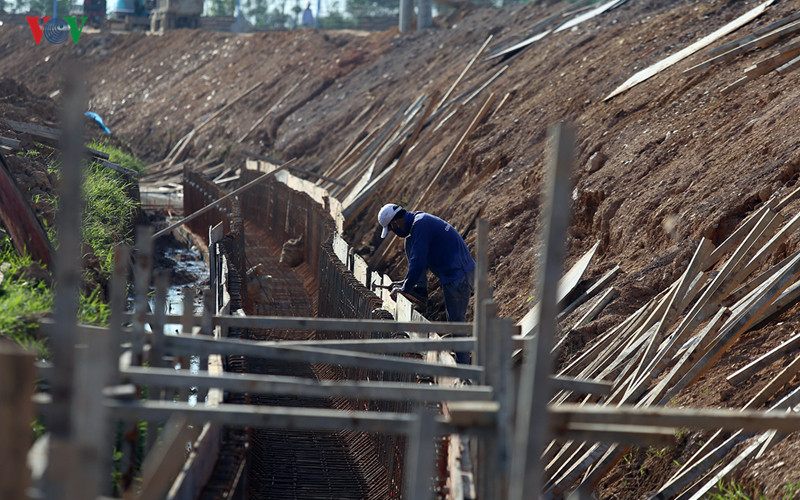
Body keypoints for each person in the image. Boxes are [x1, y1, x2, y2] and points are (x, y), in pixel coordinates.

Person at [377, 203, 475, 364]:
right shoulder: (419, 222)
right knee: (410, 242)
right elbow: (417, 256)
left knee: (457, 326)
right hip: (454, 274)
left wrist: (405, 288)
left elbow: (418, 261)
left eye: (392, 230)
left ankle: (464, 369)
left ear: (395, 223)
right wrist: (406, 283)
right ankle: (420, 289)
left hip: (459, 275)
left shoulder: (421, 225)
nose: (395, 233)